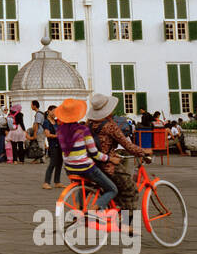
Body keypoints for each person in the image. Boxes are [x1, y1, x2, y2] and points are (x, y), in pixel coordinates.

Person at [85, 93, 152, 226]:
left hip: (93, 164)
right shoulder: (110, 125)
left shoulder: (89, 124)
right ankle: (127, 225)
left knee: (118, 187)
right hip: (108, 165)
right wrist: (143, 151)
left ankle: (116, 210)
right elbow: (127, 145)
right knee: (131, 190)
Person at [55, 98, 118, 214]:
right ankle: (94, 209)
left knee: (83, 186)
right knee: (113, 189)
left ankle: (79, 209)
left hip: (69, 168)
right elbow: (94, 153)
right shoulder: (83, 130)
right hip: (86, 168)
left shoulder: (59, 131)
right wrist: (110, 158)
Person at [40, 106, 63, 189]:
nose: (55, 113)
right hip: (53, 145)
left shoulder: (56, 121)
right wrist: (57, 136)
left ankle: (57, 181)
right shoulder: (46, 122)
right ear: (49, 111)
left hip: (60, 144)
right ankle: (46, 182)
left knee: (60, 163)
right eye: (54, 111)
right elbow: (47, 134)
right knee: (52, 163)